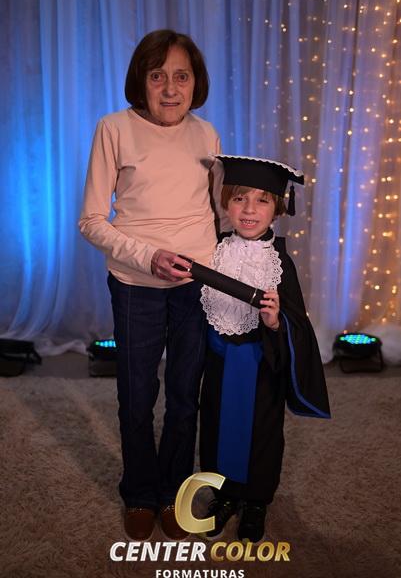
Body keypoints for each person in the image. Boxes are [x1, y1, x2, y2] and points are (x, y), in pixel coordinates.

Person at [79, 29, 226, 541]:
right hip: (134, 283)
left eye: (181, 76)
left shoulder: (207, 135)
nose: (170, 88)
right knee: (137, 395)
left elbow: (216, 210)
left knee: (186, 396)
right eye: (157, 75)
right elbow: (91, 221)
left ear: (195, 83)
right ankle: (140, 492)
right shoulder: (113, 128)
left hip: (197, 286)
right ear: (140, 81)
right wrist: (149, 257)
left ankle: (173, 492)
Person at [199, 155, 331, 543]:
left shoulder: (279, 262)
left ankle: (256, 501)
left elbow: (297, 323)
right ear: (226, 202)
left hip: (261, 364)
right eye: (239, 199)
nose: (249, 210)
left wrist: (275, 323)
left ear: (278, 207)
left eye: (262, 200)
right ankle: (224, 496)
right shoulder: (214, 250)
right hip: (218, 361)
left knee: (262, 432)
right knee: (216, 425)